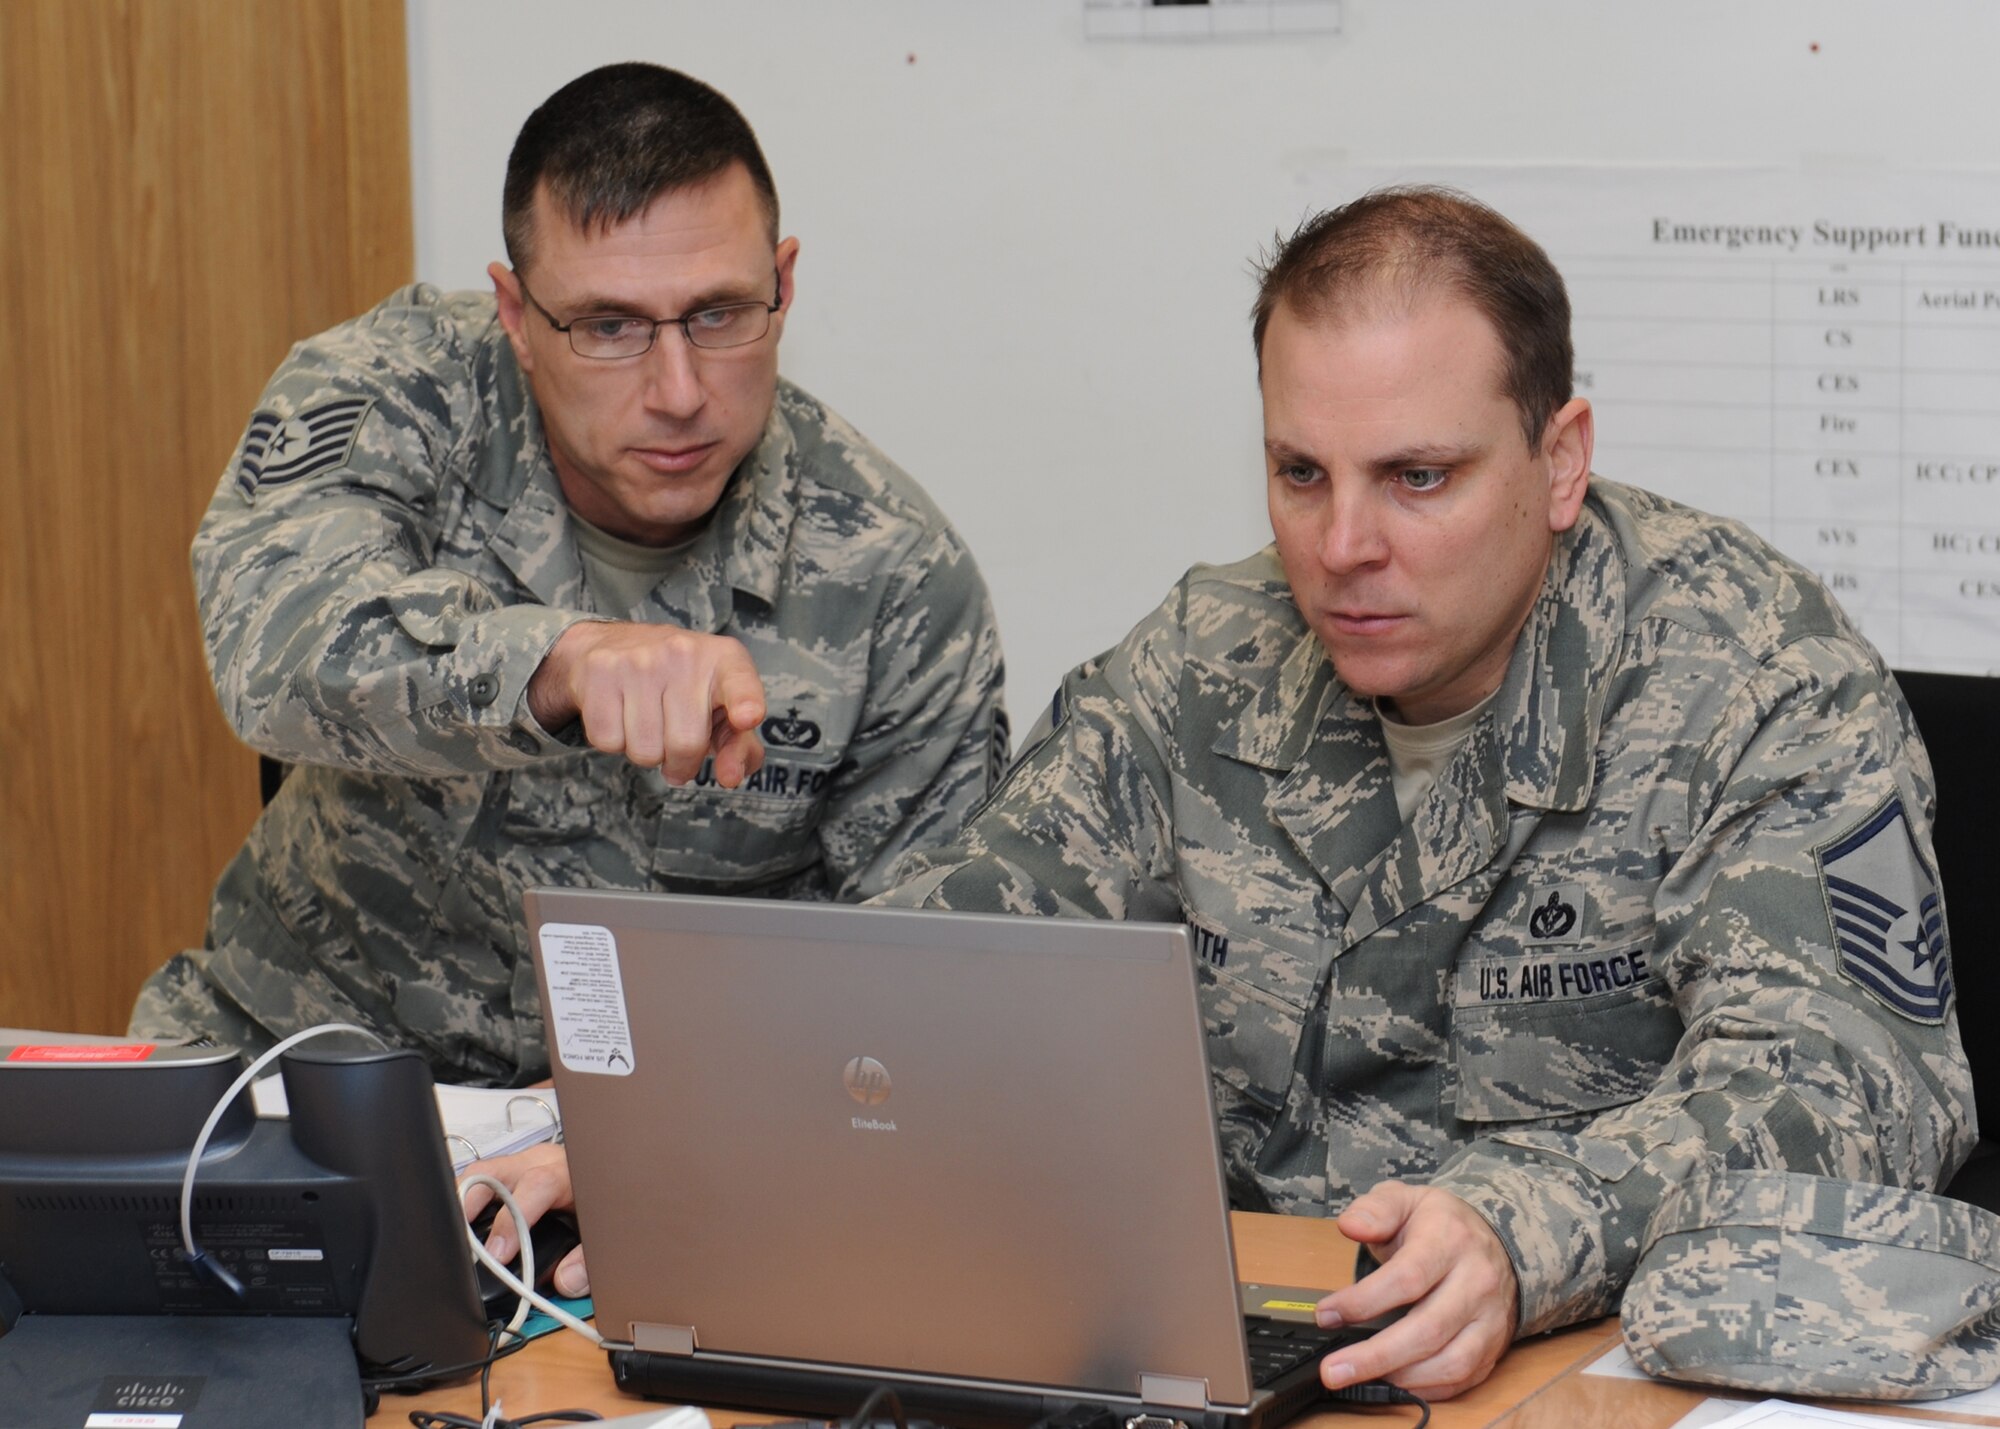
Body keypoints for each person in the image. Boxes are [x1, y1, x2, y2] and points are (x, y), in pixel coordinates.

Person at [467, 186, 1973, 1397]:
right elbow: (942, 959)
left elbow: (1851, 1089)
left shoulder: (1755, 676)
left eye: (1420, 478)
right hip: (1220, 1357)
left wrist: (1536, 1223)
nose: (1344, 546)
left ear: (1561, 458)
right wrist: (675, 1133)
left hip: (1581, 1372)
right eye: (1300, 473)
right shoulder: (1211, 655)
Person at [129, 63, 1007, 1086]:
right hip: (305, 1060)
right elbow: (275, 648)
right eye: (608, 327)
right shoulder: (397, 391)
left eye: (719, 314)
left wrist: (681, 1110)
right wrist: (557, 663)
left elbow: (924, 986)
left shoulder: (895, 577)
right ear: (514, 312)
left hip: (672, 1126)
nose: (677, 391)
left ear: (784, 285)